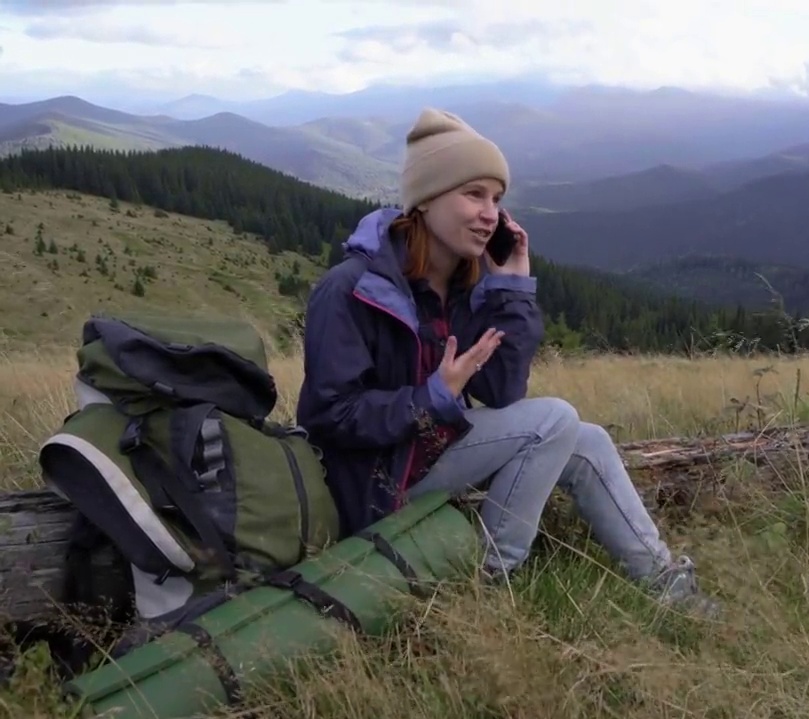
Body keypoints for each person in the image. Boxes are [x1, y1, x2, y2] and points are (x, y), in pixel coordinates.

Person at [295, 108, 720, 616]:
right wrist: (432, 398)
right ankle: (490, 584)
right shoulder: (350, 289)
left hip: (428, 449)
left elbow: (501, 393)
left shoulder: (465, 286)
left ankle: (662, 580)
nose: (490, 213)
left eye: (496, 199)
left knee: (586, 440)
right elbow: (328, 417)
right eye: (473, 194)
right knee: (554, 419)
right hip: (374, 480)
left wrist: (512, 288)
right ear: (426, 200)